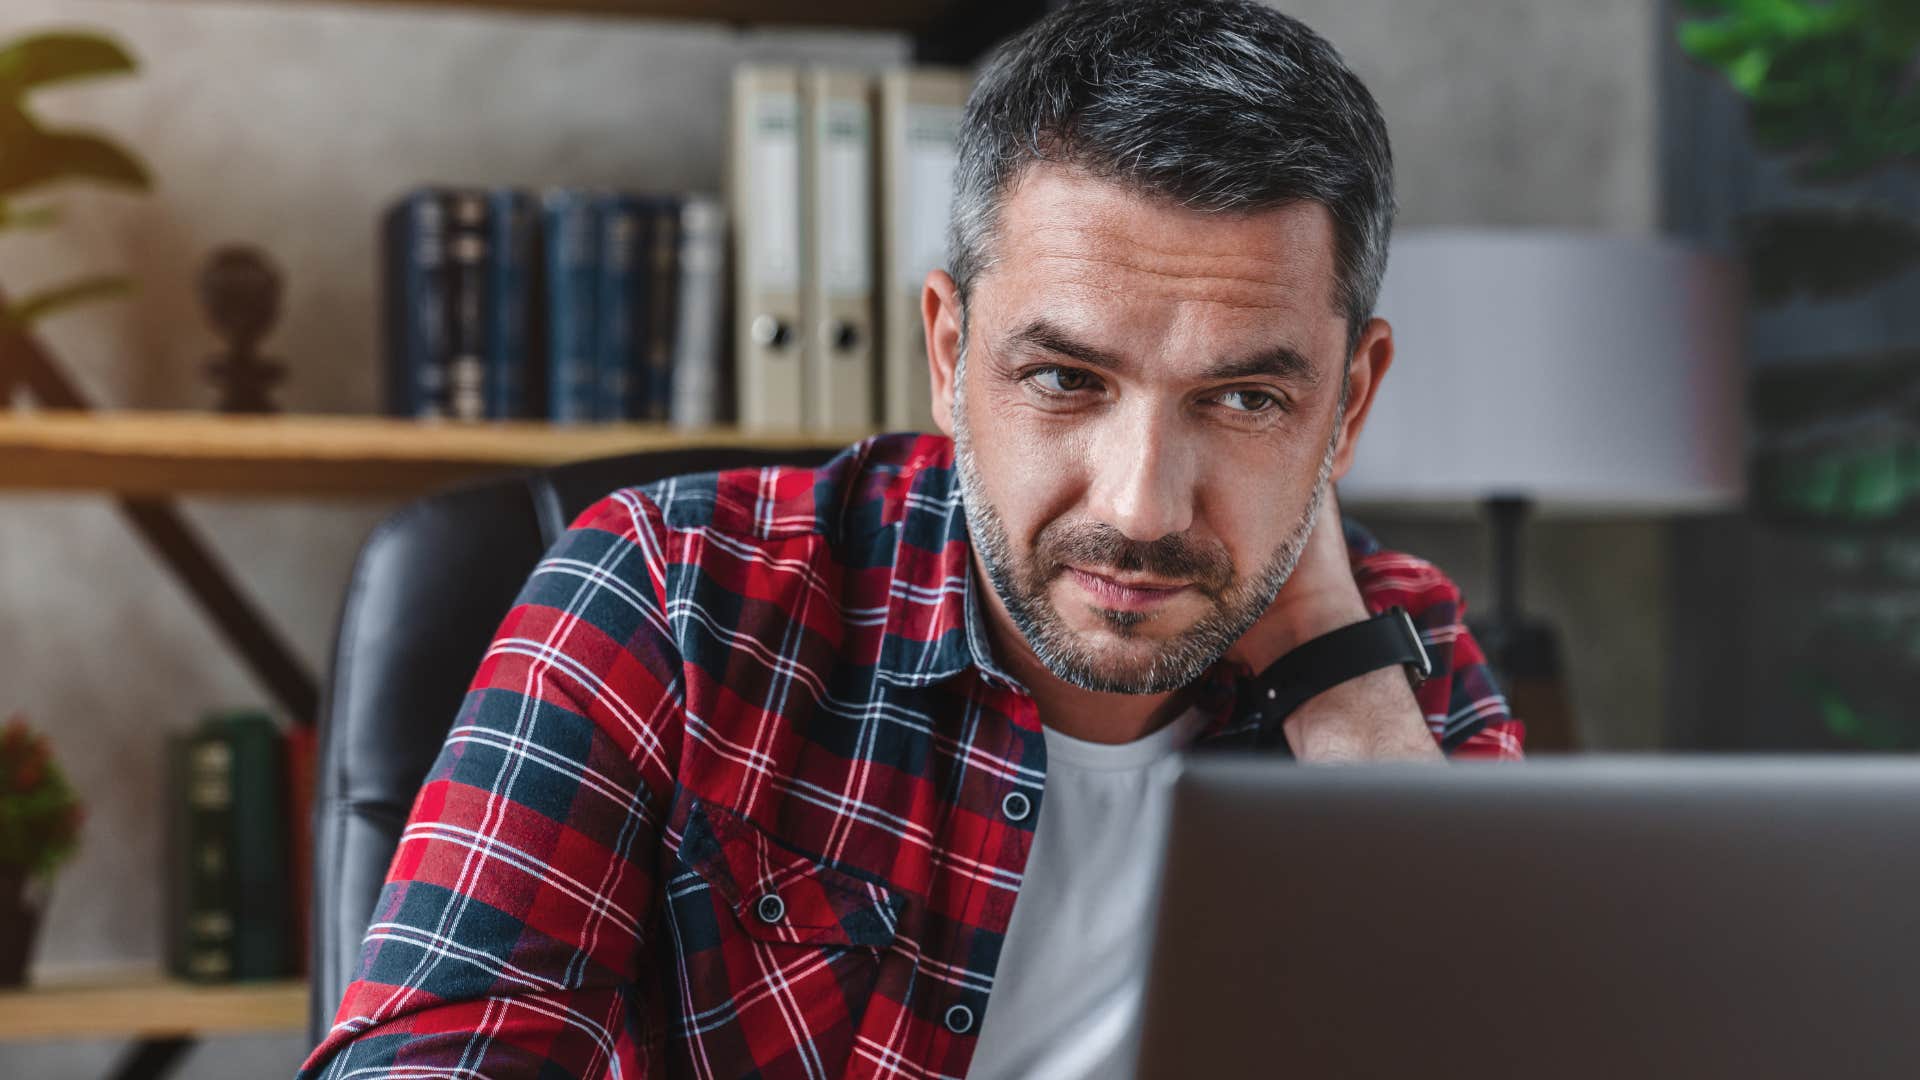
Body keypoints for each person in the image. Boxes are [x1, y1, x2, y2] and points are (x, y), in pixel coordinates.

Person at [299, 2, 1524, 1077]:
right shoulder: (670, 596)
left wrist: (1331, 666)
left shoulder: (1388, 653)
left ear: (1349, 404)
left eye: (1247, 400)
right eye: (1064, 379)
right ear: (948, 354)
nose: (1142, 507)